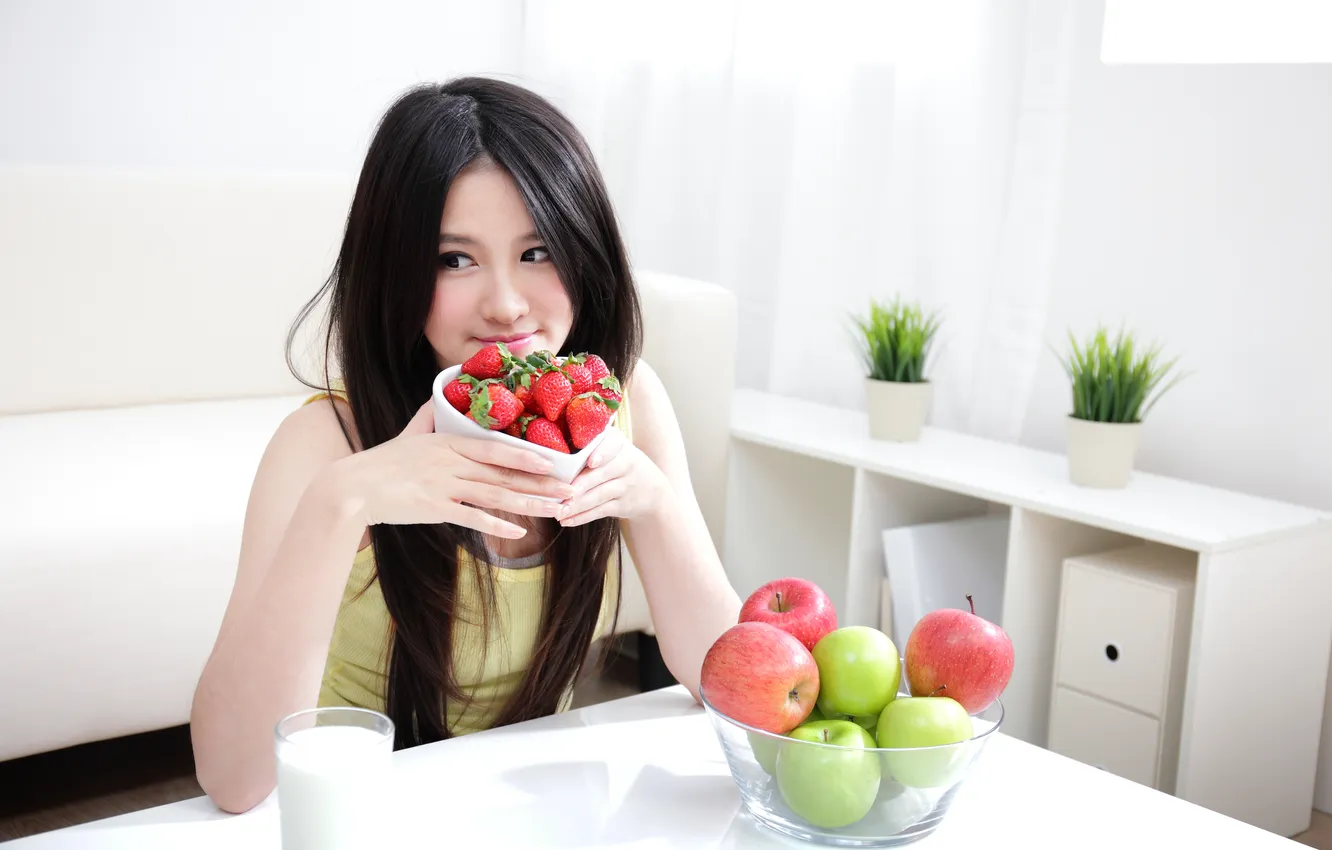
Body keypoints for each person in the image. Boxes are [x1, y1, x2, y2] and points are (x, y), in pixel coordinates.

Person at [189, 77, 741, 814]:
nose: (506, 304)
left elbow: (729, 683)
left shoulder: (626, 398)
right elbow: (232, 776)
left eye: (539, 250)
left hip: (539, 810)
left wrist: (656, 504)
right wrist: (343, 500)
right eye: (455, 259)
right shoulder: (324, 443)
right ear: (397, 269)